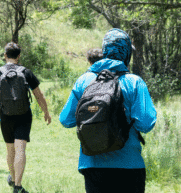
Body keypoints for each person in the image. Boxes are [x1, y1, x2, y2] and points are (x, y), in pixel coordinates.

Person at [59, 29, 157, 193]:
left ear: (105, 51)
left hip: (92, 166)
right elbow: (146, 124)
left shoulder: (84, 81)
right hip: (129, 166)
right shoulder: (134, 82)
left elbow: (66, 120)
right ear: (126, 53)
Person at [0, 42, 52, 193]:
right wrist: (46, 112)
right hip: (24, 115)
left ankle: (12, 177)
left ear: (5, 56)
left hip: (6, 116)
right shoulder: (26, 72)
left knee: (11, 149)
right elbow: (39, 95)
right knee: (20, 149)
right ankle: (17, 186)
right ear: (18, 56)